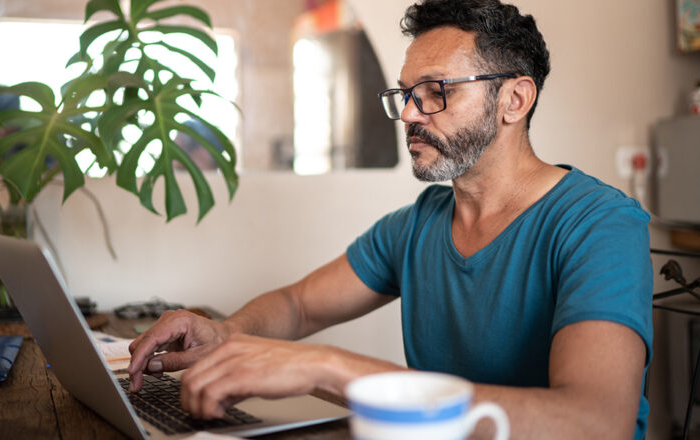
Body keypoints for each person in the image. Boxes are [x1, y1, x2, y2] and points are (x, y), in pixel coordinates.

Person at [127, 1, 653, 438]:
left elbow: (595, 422)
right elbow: (297, 304)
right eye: (405, 93)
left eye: (435, 91)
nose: (408, 114)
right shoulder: (418, 224)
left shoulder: (600, 225)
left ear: (514, 99)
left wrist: (327, 366)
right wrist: (226, 332)